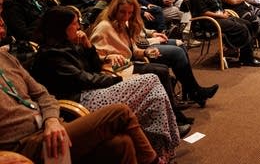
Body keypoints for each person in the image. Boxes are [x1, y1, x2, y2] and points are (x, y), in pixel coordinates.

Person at [30, 7, 184, 160]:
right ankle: (166, 144)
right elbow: (85, 79)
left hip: (92, 91)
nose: (79, 27)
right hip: (81, 101)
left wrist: (88, 46)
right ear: (61, 27)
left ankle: (161, 152)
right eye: (75, 23)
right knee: (151, 80)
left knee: (154, 96)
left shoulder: (69, 44)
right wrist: (120, 80)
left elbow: (95, 68)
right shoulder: (51, 55)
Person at [0, 50, 163, 164]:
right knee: (120, 112)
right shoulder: (51, 54)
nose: (2, 26)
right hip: (22, 147)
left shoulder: (4, 58)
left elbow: (43, 94)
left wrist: (51, 119)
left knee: (121, 144)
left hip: (50, 128)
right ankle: (154, 161)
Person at [89, 0, 194, 126]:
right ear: (114, 10)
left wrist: (146, 52)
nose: (126, 16)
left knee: (162, 69)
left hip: (127, 65)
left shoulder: (125, 24)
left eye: (130, 13)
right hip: (114, 69)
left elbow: (133, 51)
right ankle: (175, 116)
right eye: (122, 12)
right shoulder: (104, 26)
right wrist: (108, 57)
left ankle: (173, 114)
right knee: (160, 71)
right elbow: (92, 56)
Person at [190, 0, 260, 67]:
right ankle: (247, 58)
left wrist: (223, 12)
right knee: (241, 28)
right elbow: (204, 12)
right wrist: (221, 15)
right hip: (209, 21)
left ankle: (245, 55)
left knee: (247, 23)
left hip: (220, 17)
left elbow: (218, 6)